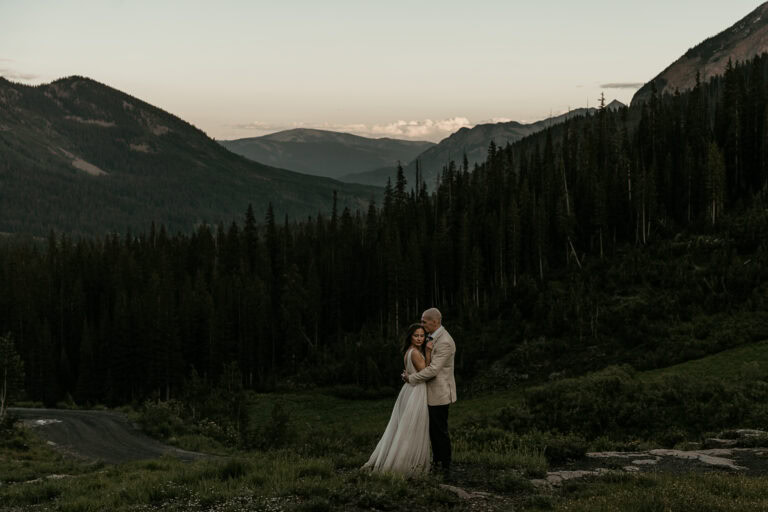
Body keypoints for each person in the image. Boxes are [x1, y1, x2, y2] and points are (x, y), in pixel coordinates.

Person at [362, 323, 431, 474]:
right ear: (410, 337)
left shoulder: (409, 351)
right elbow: (427, 372)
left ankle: (404, 461)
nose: (420, 338)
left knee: (405, 426)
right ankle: (405, 465)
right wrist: (429, 351)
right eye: (416, 335)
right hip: (416, 391)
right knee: (412, 427)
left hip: (409, 390)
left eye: (422, 335)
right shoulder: (414, 353)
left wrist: (409, 376)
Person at [404, 308, 456, 477]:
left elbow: (433, 370)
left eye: (424, 321)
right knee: (433, 430)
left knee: (439, 430)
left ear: (435, 322)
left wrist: (412, 378)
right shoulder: (432, 337)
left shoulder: (445, 341)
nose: (422, 324)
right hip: (430, 392)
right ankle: (438, 461)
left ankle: (445, 466)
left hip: (439, 393)